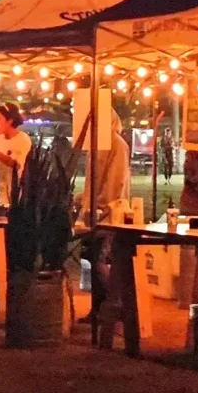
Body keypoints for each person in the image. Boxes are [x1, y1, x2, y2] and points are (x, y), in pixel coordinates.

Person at [78, 111, 130, 323]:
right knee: (91, 258)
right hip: (92, 212)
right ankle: (98, 307)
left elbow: (115, 182)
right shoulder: (96, 144)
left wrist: (99, 204)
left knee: (100, 259)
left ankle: (114, 305)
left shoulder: (117, 144)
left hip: (108, 213)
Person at [0, 103, 32, 207]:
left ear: (9, 121)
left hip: (16, 195)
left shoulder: (23, 139)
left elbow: (17, 165)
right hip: (0, 194)